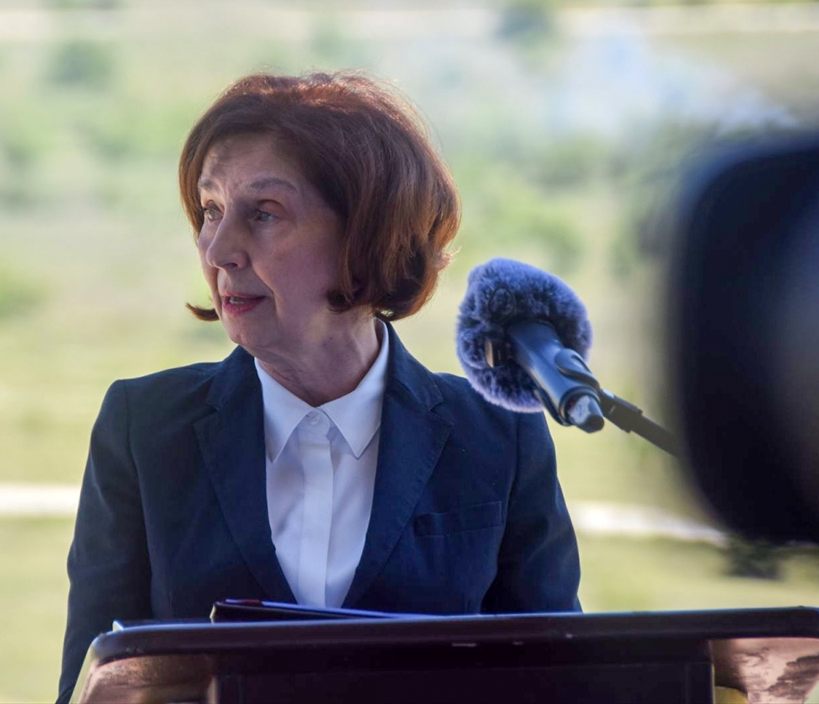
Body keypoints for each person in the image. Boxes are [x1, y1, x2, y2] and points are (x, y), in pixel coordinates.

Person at [57, 72, 580, 703]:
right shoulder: (142, 427)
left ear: (369, 234)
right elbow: (89, 688)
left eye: (263, 213)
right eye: (211, 211)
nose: (218, 250)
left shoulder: (501, 437)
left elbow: (560, 685)